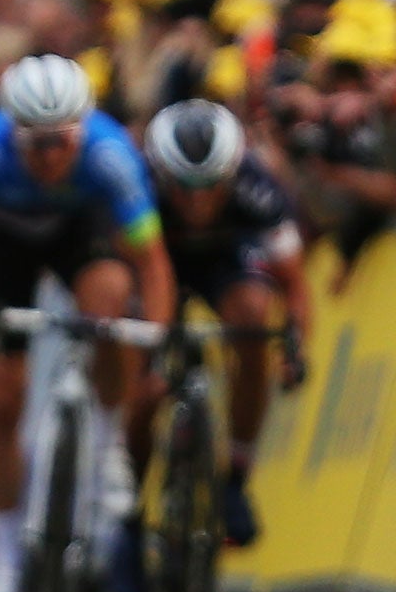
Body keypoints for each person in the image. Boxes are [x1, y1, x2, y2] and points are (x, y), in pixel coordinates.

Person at [0, 54, 175, 592]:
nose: (50, 157)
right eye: (36, 145)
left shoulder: (111, 153)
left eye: (62, 142)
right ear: (13, 134)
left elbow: (151, 261)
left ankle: (109, 439)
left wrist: (154, 343)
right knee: (3, 394)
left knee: (111, 294)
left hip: (79, 234)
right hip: (5, 247)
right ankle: (5, 565)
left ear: (82, 129)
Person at [128, 100, 308, 558]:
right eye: (182, 188)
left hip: (225, 264)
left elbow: (295, 285)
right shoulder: (137, 184)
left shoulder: (259, 188)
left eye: (210, 186)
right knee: (146, 387)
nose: (196, 201)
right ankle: (128, 508)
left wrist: (293, 349)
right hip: (157, 262)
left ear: (231, 172)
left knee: (253, 321)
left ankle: (236, 478)